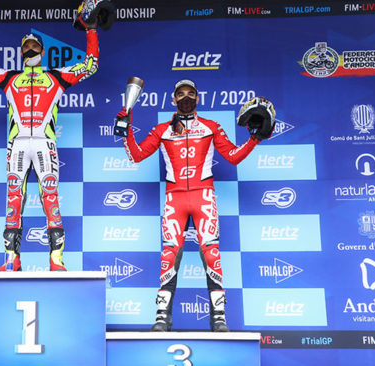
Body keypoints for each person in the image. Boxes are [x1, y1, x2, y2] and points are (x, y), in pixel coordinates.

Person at [115, 80, 275, 332]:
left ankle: (219, 318)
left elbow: (233, 157)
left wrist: (254, 139)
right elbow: (136, 155)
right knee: (169, 255)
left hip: (204, 198)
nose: (186, 97)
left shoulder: (211, 127)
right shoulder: (161, 130)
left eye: (191, 94)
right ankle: (162, 318)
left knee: (212, 254)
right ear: (173, 99)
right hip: (174, 199)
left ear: (198, 99)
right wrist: (127, 128)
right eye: (181, 94)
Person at [0, 9, 100, 271]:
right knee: (14, 198)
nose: (30, 49)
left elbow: (90, 65)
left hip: (45, 143)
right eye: (26, 46)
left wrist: (91, 30)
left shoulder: (56, 77)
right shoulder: (10, 78)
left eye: (35, 45)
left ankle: (56, 259)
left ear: (43, 51)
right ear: (21, 51)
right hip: (18, 144)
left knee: (50, 197)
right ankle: (11, 259)